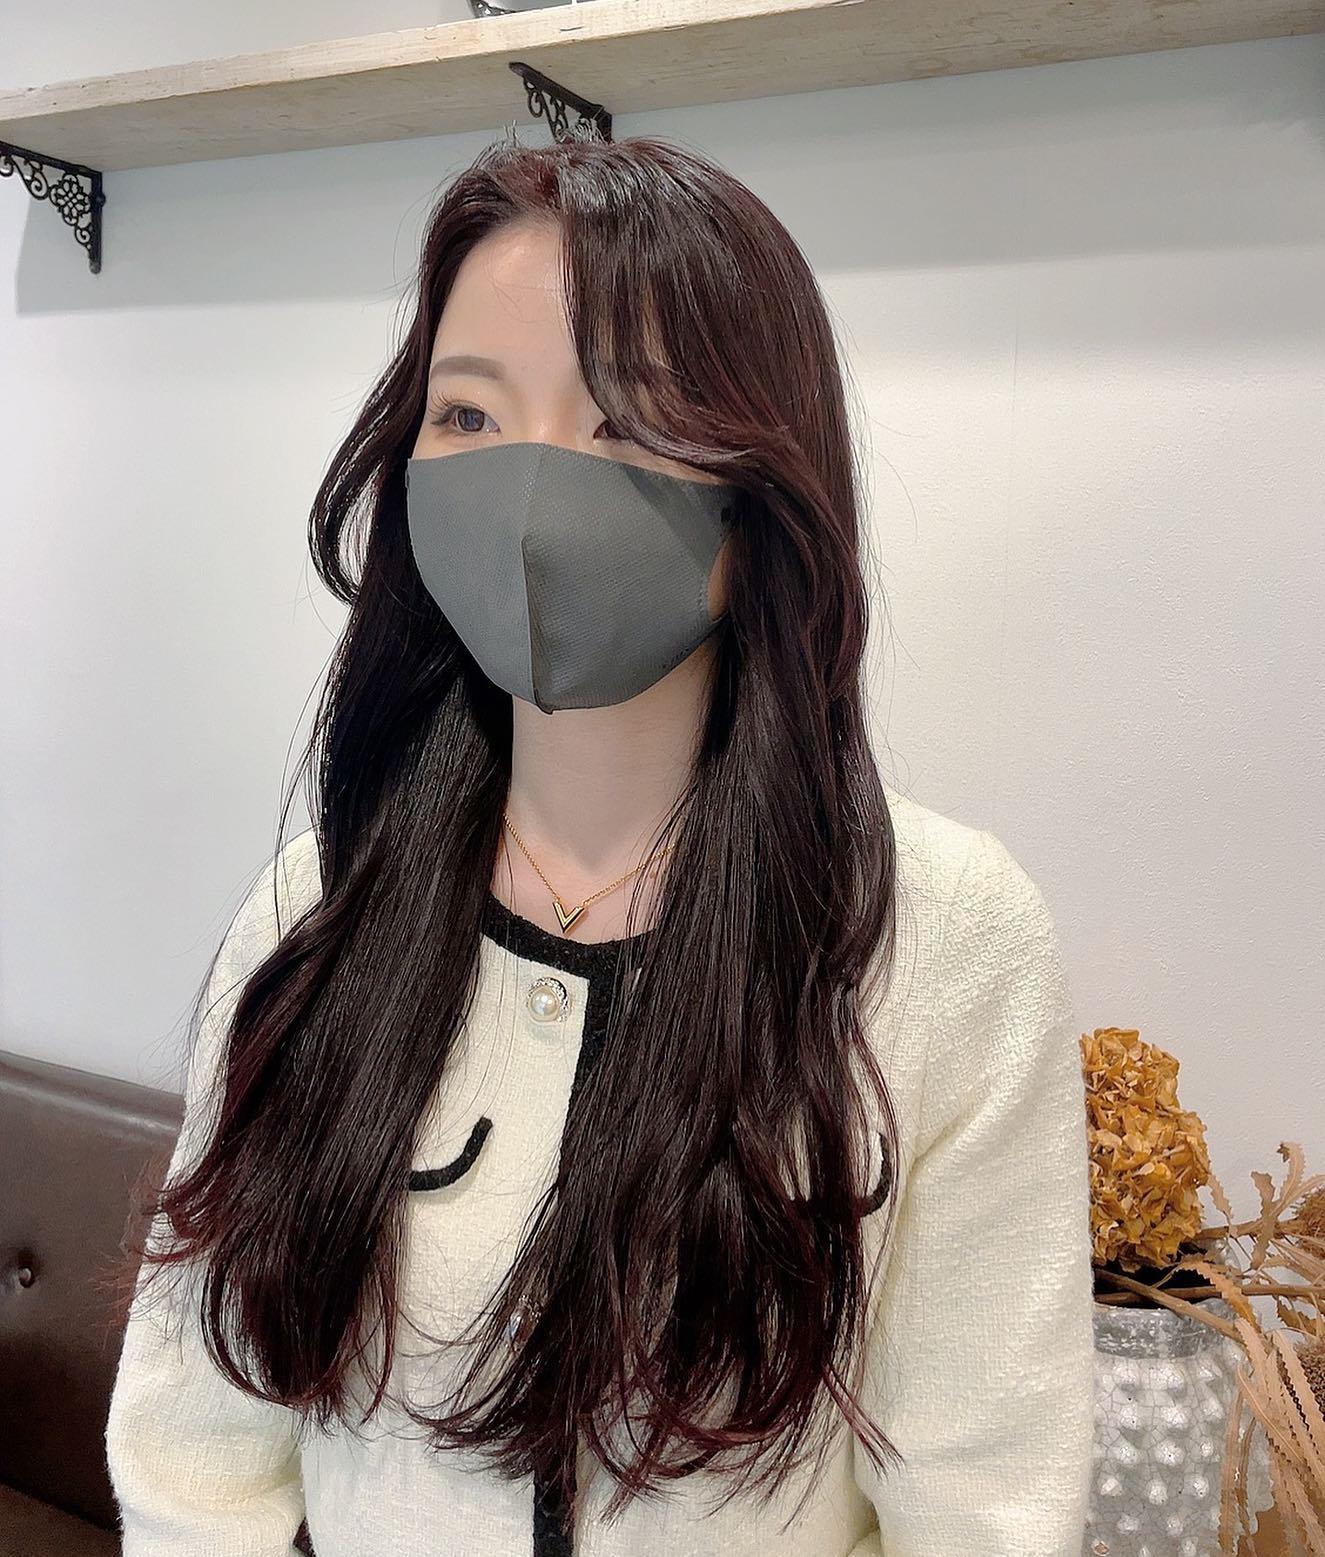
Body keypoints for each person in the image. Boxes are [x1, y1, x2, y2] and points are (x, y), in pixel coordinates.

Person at [105, 127, 1096, 1557]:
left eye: (622, 420)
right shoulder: (319, 902)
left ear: (762, 485)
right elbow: (197, 1456)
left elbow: (983, 1509)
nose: (530, 488)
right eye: (467, 414)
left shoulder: (942, 936)